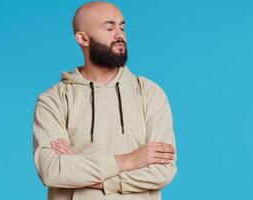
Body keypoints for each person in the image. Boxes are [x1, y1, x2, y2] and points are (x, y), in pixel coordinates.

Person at [33, 1, 177, 200]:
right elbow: (52, 171)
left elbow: (163, 171)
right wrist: (129, 161)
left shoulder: (150, 93)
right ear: (83, 38)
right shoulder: (53, 99)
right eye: (109, 28)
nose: (120, 35)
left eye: (122, 27)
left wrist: (82, 170)